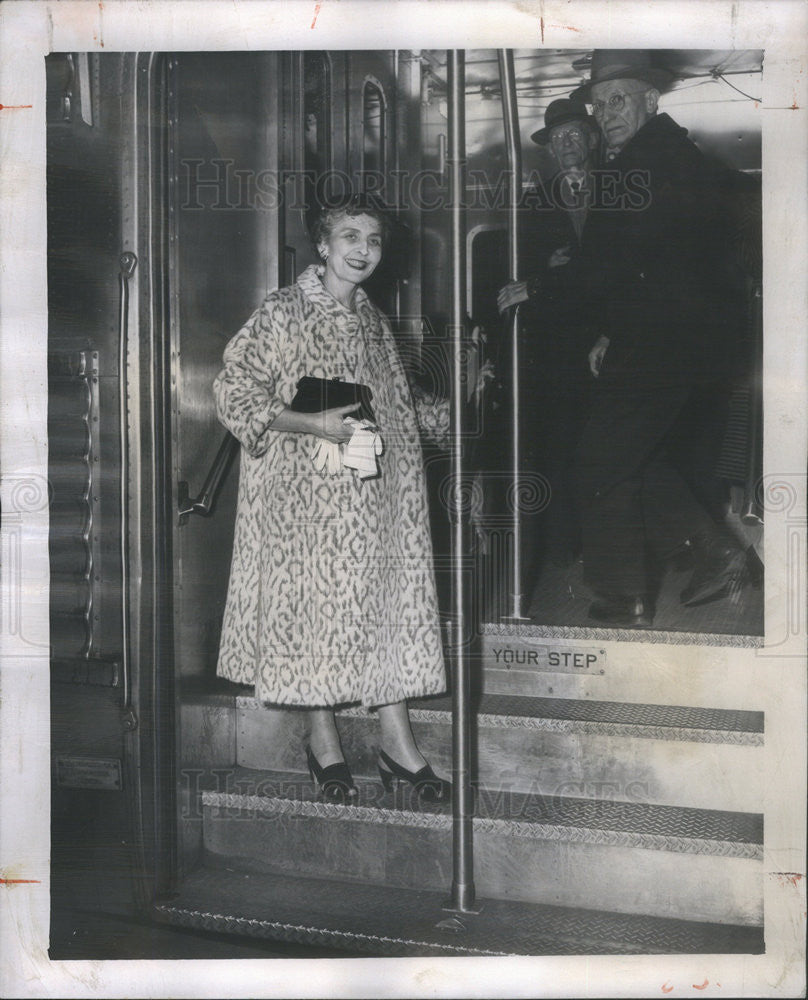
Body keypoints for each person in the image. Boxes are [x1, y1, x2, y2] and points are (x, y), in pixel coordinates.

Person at [213, 198, 452, 804]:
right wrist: (311, 423)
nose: (362, 249)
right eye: (349, 235)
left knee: (378, 603)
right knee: (315, 609)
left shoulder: (373, 319)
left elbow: (389, 405)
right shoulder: (283, 310)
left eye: (373, 240)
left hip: (370, 495)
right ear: (322, 245)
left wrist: (440, 414)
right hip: (302, 499)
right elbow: (234, 390)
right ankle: (323, 741)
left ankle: (397, 743)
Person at [569, 49, 747, 627]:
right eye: (598, 105)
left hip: (661, 343)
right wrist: (609, 330)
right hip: (675, 340)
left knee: (600, 460)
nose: (604, 114)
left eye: (616, 100)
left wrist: (545, 291)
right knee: (629, 459)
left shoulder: (642, 164)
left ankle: (630, 595)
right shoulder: (670, 155)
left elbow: (616, 263)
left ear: (650, 98)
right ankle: (703, 557)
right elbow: (652, 263)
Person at [496, 98, 599, 572]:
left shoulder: (621, 190)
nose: (567, 144)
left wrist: (555, 275)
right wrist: (545, 276)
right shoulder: (534, 202)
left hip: (617, 335)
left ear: (592, 138)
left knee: (611, 449)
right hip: (560, 348)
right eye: (558, 139)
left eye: (575, 134)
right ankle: (563, 548)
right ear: (550, 150)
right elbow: (516, 277)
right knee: (560, 446)